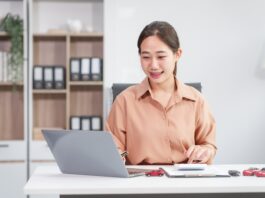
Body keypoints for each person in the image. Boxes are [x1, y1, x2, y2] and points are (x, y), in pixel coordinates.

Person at [106, 21, 216, 165]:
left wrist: (204, 151)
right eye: (146, 57)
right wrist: (123, 154)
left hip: (186, 182)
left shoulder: (197, 100)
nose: (153, 65)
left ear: (177, 55)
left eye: (161, 57)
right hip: (140, 183)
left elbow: (208, 146)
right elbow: (118, 149)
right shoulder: (124, 101)